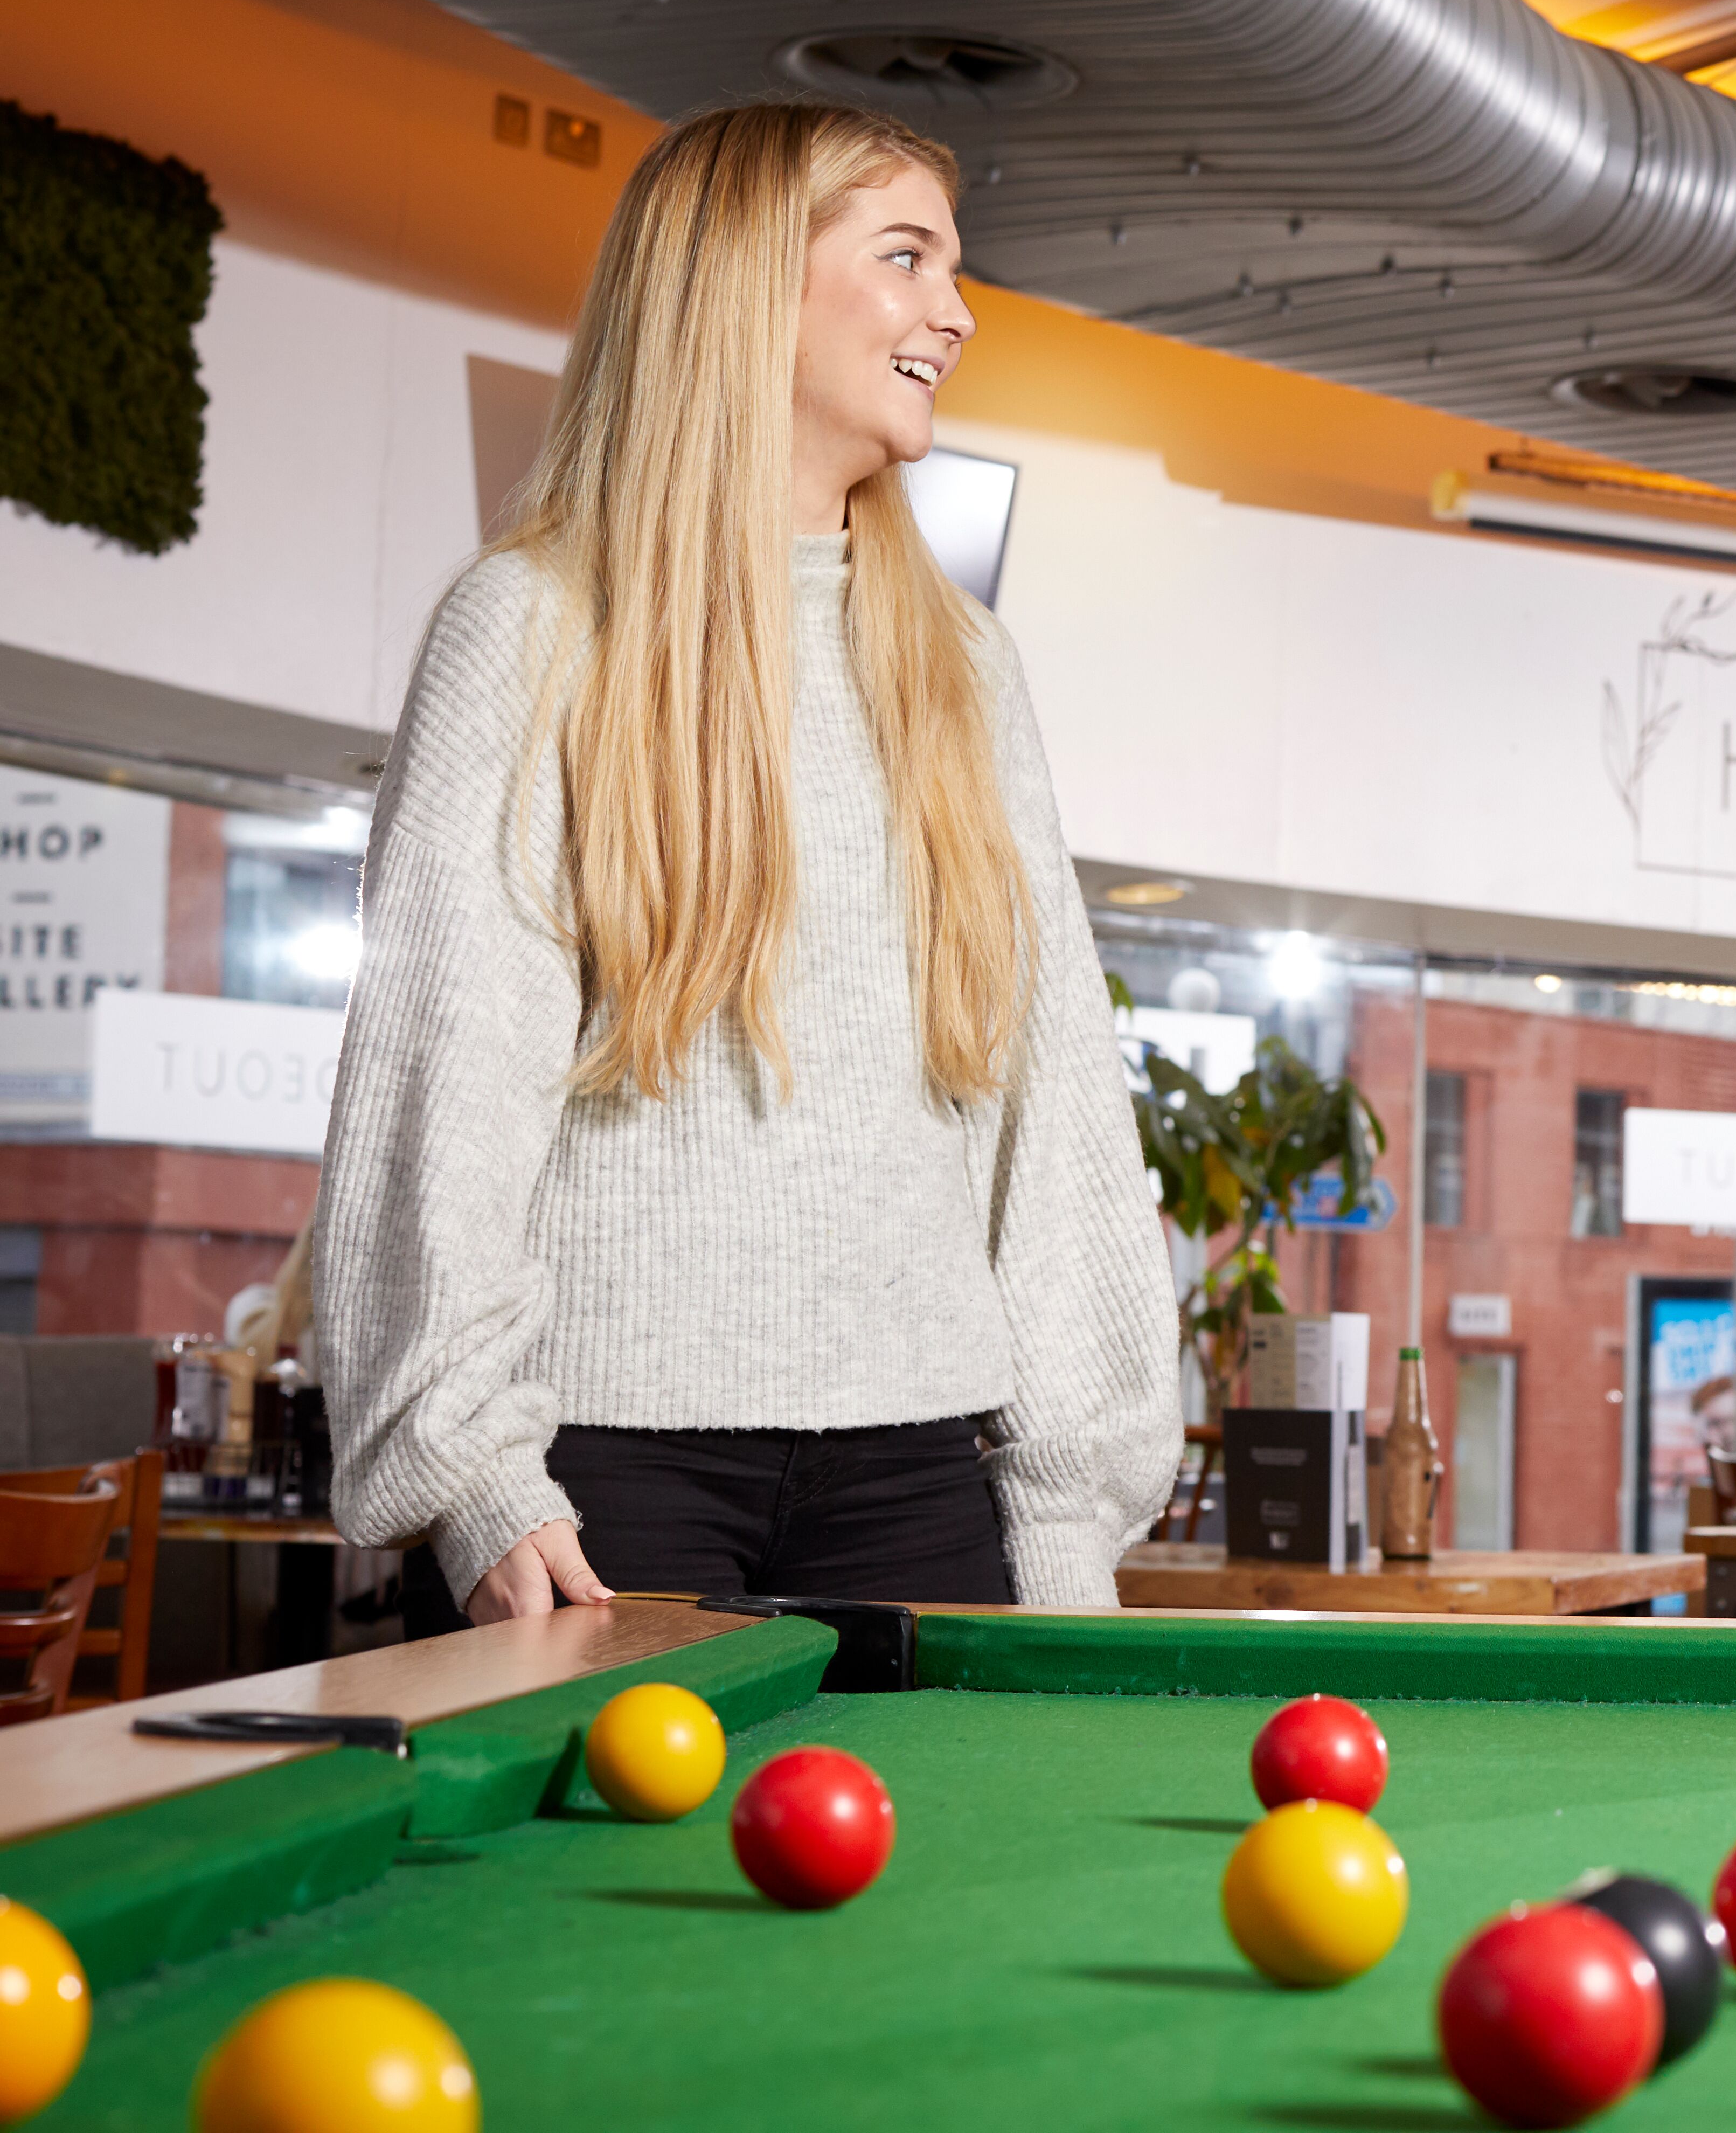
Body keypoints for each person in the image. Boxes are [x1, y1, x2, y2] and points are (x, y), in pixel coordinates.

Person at [314, 100, 1181, 1626]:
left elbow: (1052, 1112)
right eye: (906, 257)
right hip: (604, 1480)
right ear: (742, 286)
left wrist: (1065, 1527)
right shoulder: (529, 628)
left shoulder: (964, 665)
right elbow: (442, 1081)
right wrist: (475, 1479)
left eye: (952, 268)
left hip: (928, 1473)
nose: (955, 314)